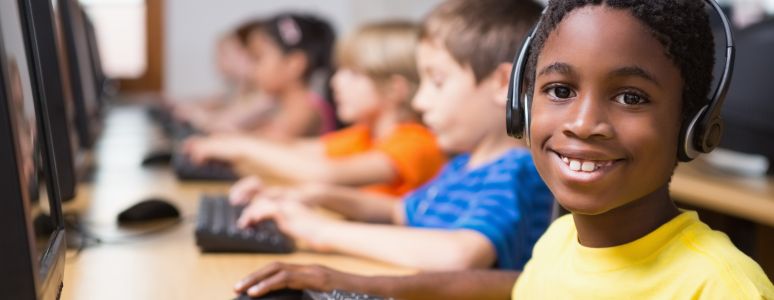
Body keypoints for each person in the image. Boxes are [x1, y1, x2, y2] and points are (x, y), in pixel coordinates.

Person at [232, 0, 774, 299]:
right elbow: (528, 287)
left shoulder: (720, 287)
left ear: (697, 126)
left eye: (630, 97)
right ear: (520, 105)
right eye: (560, 91)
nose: (584, 123)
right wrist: (353, 283)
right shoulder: (563, 240)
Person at [233, 0, 549, 272]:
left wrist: (320, 230)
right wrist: (313, 195)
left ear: (502, 84)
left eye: (437, 81)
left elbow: (460, 253)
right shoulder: (462, 167)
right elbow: (396, 210)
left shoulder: (515, 172)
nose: (419, 101)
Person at [185, 21, 446, 195]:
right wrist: (233, 143)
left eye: (353, 73)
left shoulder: (416, 143)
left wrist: (241, 147)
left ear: (394, 89)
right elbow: (298, 148)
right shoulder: (365, 136)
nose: (336, 81)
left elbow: (327, 174)